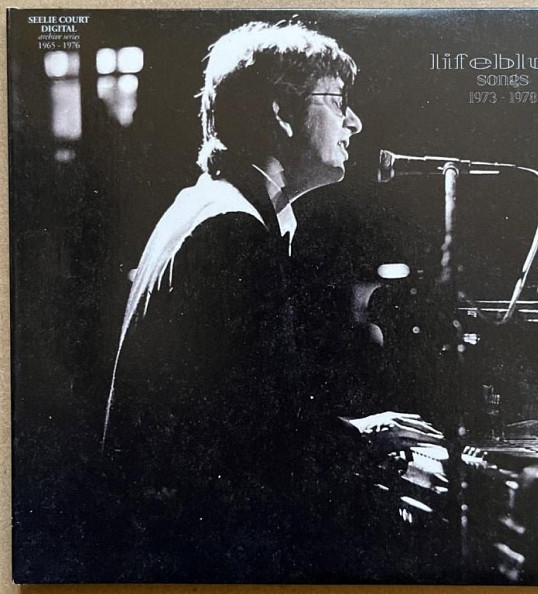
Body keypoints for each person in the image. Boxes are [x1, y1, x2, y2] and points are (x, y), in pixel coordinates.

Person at [100, 20, 443, 581]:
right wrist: (367, 440)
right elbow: (260, 442)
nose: (354, 122)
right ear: (281, 112)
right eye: (337, 101)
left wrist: (358, 430)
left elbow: (245, 410)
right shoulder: (232, 229)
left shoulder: (206, 204)